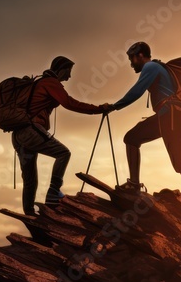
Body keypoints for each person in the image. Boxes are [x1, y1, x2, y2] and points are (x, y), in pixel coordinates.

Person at [110, 42, 181, 213]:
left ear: (140, 55)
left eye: (132, 59)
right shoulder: (159, 67)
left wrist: (113, 106)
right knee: (132, 138)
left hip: (172, 116)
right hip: (173, 115)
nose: (131, 63)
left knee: (180, 161)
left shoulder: (150, 67)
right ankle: (134, 184)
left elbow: (137, 91)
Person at [13, 56, 112, 212]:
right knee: (63, 153)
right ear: (62, 69)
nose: (70, 76)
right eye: (69, 71)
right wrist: (99, 109)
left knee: (30, 180)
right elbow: (69, 103)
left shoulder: (39, 83)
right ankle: (53, 192)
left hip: (19, 135)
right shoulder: (51, 83)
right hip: (31, 131)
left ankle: (30, 215)